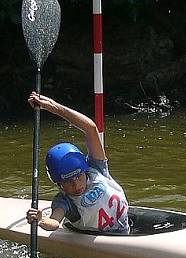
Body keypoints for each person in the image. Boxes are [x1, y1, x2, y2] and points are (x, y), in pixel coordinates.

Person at [25, 92, 130, 234]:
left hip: (125, 228)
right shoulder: (64, 201)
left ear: (84, 171)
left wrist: (55, 108)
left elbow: (91, 129)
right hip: (102, 241)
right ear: (59, 184)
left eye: (78, 177)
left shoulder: (97, 168)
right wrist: (41, 220)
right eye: (68, 182)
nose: (76, 185)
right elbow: (54, 222)